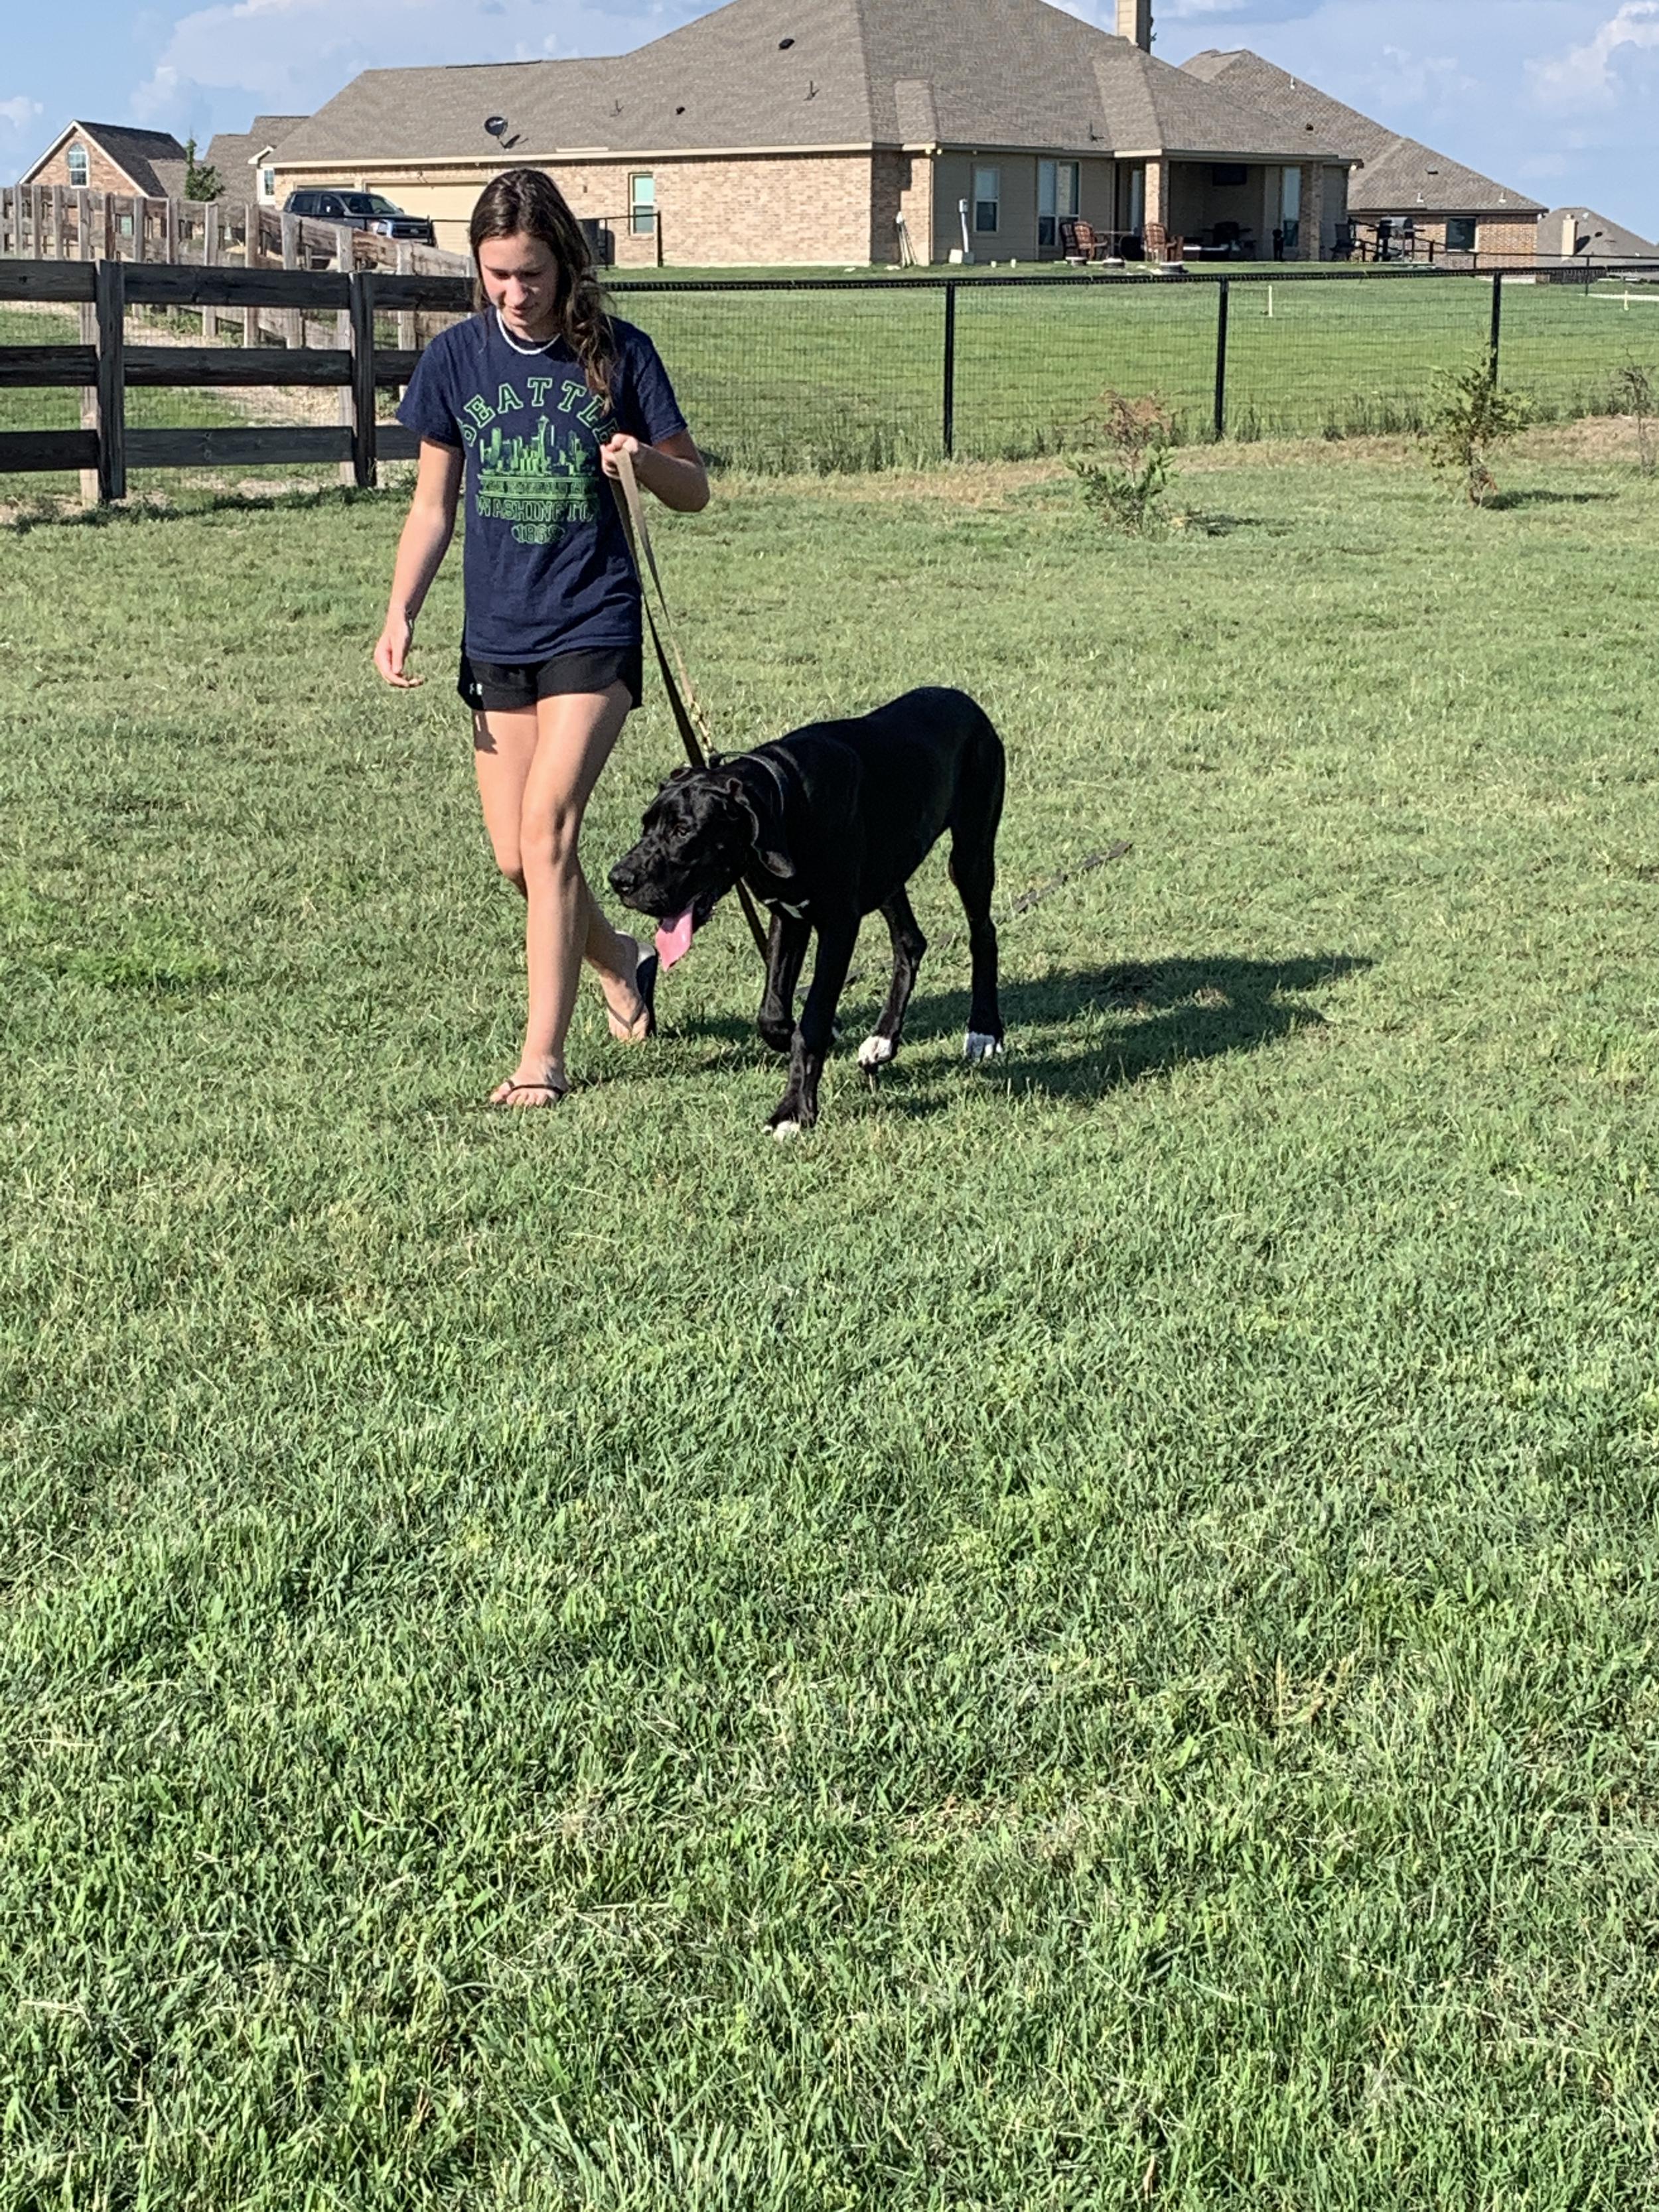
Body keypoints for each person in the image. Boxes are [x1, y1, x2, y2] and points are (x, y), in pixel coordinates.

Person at [374, 169, 707, 1106]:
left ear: (565, 262)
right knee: (516, 858)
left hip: (592, 624)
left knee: (549, 829)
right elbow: (433, 506)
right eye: (496, 275)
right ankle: (624, 965)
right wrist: (402, 609)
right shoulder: (456, 362)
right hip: (498, 636)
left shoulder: (620, 357)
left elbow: (695, 489)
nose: (514, 295)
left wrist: (643, 458)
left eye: (530, 274)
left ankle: (542, 1057)